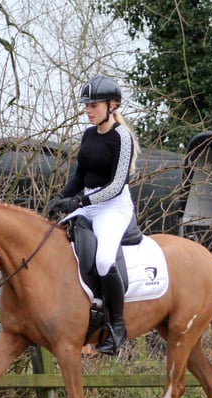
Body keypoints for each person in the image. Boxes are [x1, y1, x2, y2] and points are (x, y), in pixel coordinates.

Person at [45, 75, 141, 355]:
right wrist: (62, 197)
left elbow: (116, 185)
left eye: (94, 105)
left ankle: (118, 326)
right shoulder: (88, 134)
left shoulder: (122, 138)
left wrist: (79, 201)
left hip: (114, 206)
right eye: (86, 105)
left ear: (112, 106)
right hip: (87, 202)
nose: (88, 110)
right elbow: (80, 175)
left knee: (103, 259)